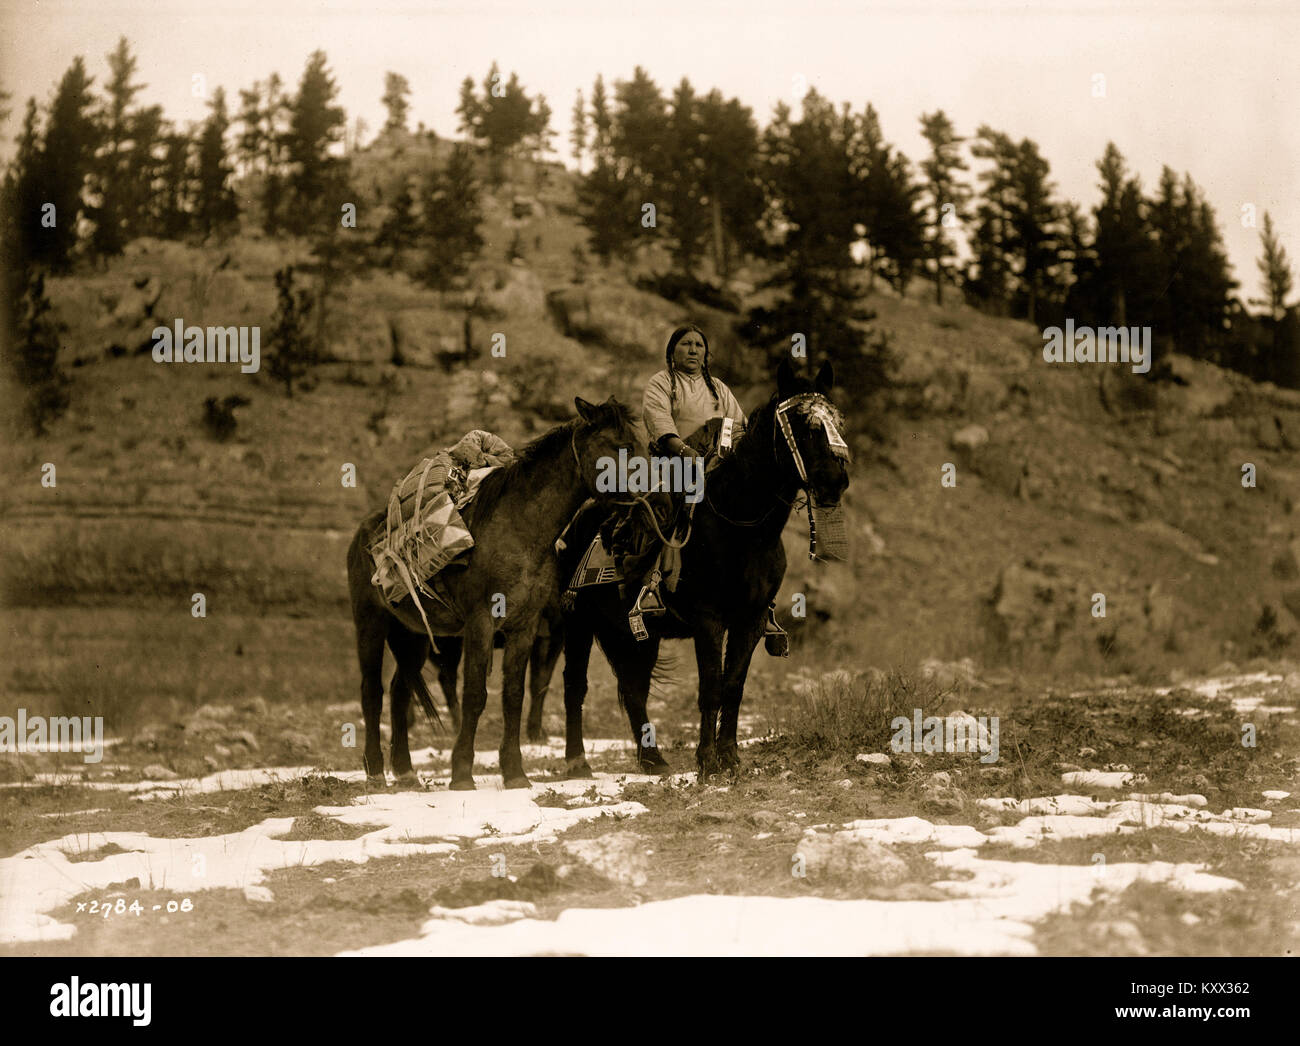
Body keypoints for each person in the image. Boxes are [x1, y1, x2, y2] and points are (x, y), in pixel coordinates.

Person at [642, 325, 746, 458]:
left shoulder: (718, 387)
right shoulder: (661, 382)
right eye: (686, 344)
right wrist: (683, 450)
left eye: (699, 345)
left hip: (717, 463)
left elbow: (740, 425)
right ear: (672, 353)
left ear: (705, 357)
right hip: (673, 461)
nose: (693, 351)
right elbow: (659, 422)